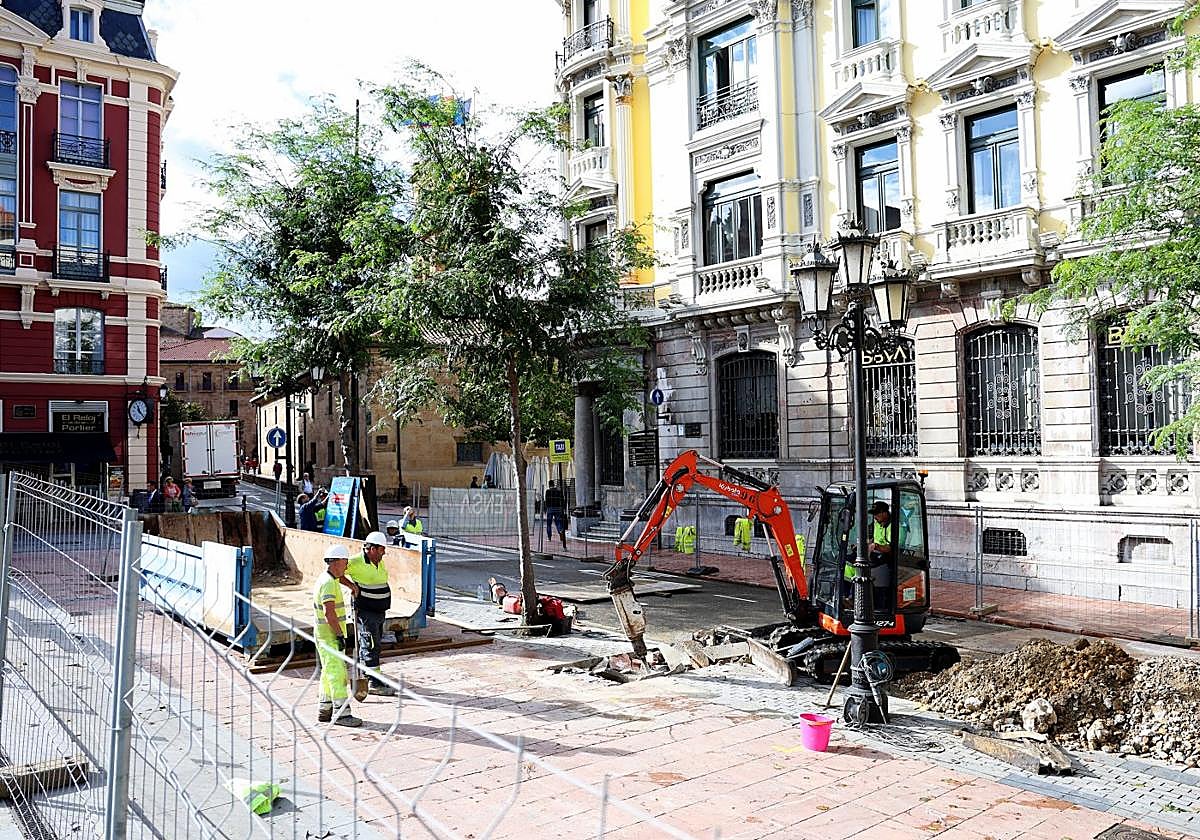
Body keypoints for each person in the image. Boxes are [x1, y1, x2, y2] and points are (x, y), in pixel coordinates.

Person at [340, 531, 397, 697]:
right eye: (381, 549)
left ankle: (371, 676)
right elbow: (336, 572)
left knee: (375, 643)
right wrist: (352, 586)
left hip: (379, 609)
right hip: (366, 610)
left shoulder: (378, 561)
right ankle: (373, 682)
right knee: (370, 644)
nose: (384, 553)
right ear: (372, 549)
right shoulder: (356, 561)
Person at [313, 544, 362, 726]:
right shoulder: (327, 584)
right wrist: (340, 635)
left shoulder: (329, 578)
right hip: (330, 636)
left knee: (328, 672)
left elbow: (340, 577)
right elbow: (329, 613)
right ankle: (342, 713)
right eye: (345, 562)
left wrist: (351, 586)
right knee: (337, 674)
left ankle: (324, 709)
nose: (347, 566)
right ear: (336, 562)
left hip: (325, 634)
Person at [867, 500, 894, 613]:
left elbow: (891, 548)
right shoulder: (876, 524)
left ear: (884, 513)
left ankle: (881, 606)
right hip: (877, 553)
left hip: (888, 558)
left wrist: (876, 546)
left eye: (877, 514)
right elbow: (872, 538)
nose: (875, 517)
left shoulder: (893, 526)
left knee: (872, 571)